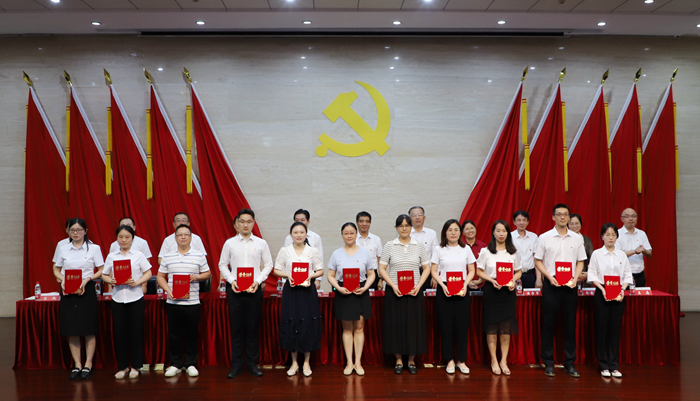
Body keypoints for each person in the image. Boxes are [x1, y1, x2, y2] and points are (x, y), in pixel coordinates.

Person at [218, 209, 273, 379]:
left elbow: (269, 264)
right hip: (235, 290)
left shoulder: (261, 243)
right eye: (242, 221)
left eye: (249, 221)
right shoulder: (229, 243)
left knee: (252, 328)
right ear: (237, 223)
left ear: (253, 223)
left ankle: (252, 363)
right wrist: (231, 280)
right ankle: (236, 365)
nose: (245, 225)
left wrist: (258, 280)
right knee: (236, 329)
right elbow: (222, 264)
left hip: (254, 290)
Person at [535, 204, 587, 378]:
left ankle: (569, 363)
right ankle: (548, 362)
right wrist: (549, 277)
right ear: (553, 217)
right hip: (552, 284)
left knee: (570, 325)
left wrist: (575, 278)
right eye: (559, 214)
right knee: (548, 324)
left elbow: (581, 261)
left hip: (570, 286)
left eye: (565, 214)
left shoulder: (576, 238)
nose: (563, 217)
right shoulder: (544, 237)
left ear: (569, 217)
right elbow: (538, 260)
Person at [379, 214, 431, 375]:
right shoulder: (389, 245)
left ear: (411, 227)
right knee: (395, 326)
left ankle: (411, 361)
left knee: (413, 325)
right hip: (395, 292)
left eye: (407, 225)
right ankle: (399, 361)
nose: (404, 228)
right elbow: (382, 269)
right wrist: (393, 285)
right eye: (401, 226)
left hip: (414, 292)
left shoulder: (419, 245)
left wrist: (419, 286)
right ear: (396, 228)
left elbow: (427, 268)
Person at [52, 218, 104, 380]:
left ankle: (88, 364)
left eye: (79, 230)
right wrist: (63, 279)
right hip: (67, 289)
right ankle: (77, 365)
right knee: (71, 328)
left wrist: (88, 279)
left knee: (88, 328)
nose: (75, 233)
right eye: (72, 230)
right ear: (68, 231)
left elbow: (102, 269)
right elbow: (56, 268)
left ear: (85, 231)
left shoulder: (94, 248)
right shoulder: (62, 247)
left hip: (86, 289)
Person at [157, 224, 211, 378]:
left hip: (192, 302)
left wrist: (197, 277)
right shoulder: (168, 256)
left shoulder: (199, 255)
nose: (183, 237)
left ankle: (190, 364)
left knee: (191, 334)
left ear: (191, 237)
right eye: (180, 234)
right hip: (173, 302)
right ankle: (175, 364)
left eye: (186, 234)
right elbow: (160, 276)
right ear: (175, 238)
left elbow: (207, 273)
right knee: (174, 335)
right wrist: (168, 291)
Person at [101, 225, 152, 379]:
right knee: (119, 333)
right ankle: (122, 367)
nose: (124, 240)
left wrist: (137, 282)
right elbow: (104, 274)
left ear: (132, 239)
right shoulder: (112, 256)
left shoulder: (138, 255)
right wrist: (110, 280)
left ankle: (135, 366)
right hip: (118, 299)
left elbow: (148, 273)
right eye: (121, 237)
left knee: (136, 332)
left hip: (135, 298)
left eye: (127, 237)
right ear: (117, 238)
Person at [275, 222, 324, 377]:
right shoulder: (285, 251)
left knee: (308, 323)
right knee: (292, 323)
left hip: (307, 291)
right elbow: (276, 270)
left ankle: (306, 362)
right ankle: (294, 362)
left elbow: (320, 270)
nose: (298, 235)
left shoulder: (312, 251)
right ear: (291, 235)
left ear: (306, 234)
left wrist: (310, 276)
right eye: (295, 232)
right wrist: (287, 275)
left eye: (302, 232)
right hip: (291, 291)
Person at [327, 222, 375, 376]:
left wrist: (365, 287)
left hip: (361, 291)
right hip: (344, 292)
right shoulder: (336, 254)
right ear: (342, 235)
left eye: (352, 233)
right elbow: (330, 275)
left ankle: (358, 362)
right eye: (346, 233)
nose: (349, 236)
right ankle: (349, 362)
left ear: (356, 234)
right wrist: (338, 288)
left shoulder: (364, 253)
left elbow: (371, 274)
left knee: (359, 328)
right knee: (347, 329)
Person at [430, 219, 476, 375]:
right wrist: (442, 286)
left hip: (462, 289)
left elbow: (471, 270)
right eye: (450, 230)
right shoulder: (439, 249)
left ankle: (461, 361)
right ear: (445, 232)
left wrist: (465, 285)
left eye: (456, 229)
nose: (453, 232)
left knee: (462, 326)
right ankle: (449, 360)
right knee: (446, 326)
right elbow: (433, 270)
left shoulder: (466, 249)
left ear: (460, 232)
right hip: (444, 289)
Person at [476, 220, 522, 376]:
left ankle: (504, 361)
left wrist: (513, 280)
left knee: (505, 328)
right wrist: (491, 280)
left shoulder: (513, 252)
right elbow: (479, 271)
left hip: (507, 293)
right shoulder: (486, 251)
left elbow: (519, 271)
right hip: (492, 290)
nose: (501, 234)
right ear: (493, 233)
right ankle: (494, 360)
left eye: (504, 231)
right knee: (491, 327)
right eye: (498, 231)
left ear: (508, 233)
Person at [588, 223, 633, 378]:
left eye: (613, 234)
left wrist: (622, 289)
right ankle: (603, 365)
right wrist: (602, 290)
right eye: (607, 234)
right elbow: (592, 275)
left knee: (615, 330)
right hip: (602, 293)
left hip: (618, 294)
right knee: (601, 329)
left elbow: (627, 275)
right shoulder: (597, 254)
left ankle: (614, 366)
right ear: (602, 236)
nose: (610, 237)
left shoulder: (621, 255)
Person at [108, 217, 152, 293]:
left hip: (137, 283)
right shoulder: (114, 245)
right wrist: (109, 287)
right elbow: (110, 268)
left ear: (134, 228)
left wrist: (144, 285)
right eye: (123, 226)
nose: (125, 228)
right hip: (118, 287)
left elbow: (146, 268)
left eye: (128, 225)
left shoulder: (142, 243)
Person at [283, 209, 324, 290]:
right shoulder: (289, 238)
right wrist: (284, 280)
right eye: (297, 220)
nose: (300, 222)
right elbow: (285, 261)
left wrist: (318, 279)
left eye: (302, 220)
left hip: (309, 277)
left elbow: (320, 259)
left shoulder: (315, 237)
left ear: (308, 221)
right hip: (291, 278)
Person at [616, 208, 652, 287]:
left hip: (639, 275)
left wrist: (643, 250)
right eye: (627, 216)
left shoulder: (641, 234)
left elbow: (649, 253)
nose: (630, 218)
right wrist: (634, 251)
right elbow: (617, 255)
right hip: (623, 275)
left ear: (636, 218)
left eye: (633, 216)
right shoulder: (617, 234)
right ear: (622, 219)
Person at [408, 206, 439, 290]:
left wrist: (435, 275)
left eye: (420, 215)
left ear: (424, 217)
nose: (417, 217)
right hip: (411, 272)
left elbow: (435, 256)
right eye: (414, 215)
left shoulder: (431, 233)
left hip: (428, 271)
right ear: (409, 219)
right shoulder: (406, 234)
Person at [511, 211, 540, 288]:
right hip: (514, 275)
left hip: (530, 275)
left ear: (527, 222)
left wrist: (539, 279)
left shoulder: (534, 237)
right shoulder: (510, 237)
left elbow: (537, 259)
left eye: (524, 220)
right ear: (514, 222)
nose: (521, 222)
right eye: (519, 220)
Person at [355, 211, 383, 290]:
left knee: (372, 297)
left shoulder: (376, 239)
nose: (364, 224)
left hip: (373, 274)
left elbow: (380, 261)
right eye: (361, 221)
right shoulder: (353, 239)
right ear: (357, 223)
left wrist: (381, 279)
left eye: (367, 221)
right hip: (356, 274)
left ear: (370, 223)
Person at [568, 214, 593, 286]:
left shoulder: (587, 240)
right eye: (571, 224)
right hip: (569, 276)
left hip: (584, 277)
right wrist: (576, 274)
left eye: (577, 223)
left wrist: (587, 273)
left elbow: (592, 260)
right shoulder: (565, 240)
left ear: (581, 224)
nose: (574, 226)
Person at [462, 220, 487, 290]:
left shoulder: (483, 246)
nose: (470, 231)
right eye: (467, 229)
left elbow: (487, 265)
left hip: (481, 284)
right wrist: (467, 281)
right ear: (463, 232)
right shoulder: (460, 246)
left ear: (475, 229)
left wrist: (480, 280)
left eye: (472, 228)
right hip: (463, 284)